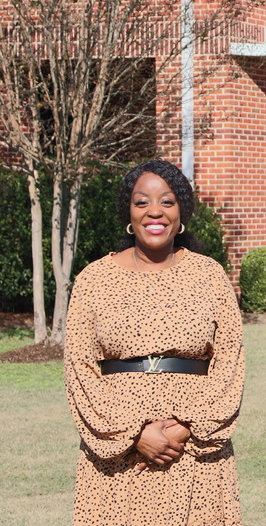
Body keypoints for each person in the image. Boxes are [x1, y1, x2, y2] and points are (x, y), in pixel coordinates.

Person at [64, 160, 245, 525]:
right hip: (117, 450)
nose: (155, 212)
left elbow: (230, 362)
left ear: (182, 213)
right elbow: (79, 368)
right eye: (142, 202)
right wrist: (134, 433)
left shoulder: (209, 275)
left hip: (194, 448)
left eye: (167, 201)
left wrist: (185, 427)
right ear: (128, 214)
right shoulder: (93, 280)